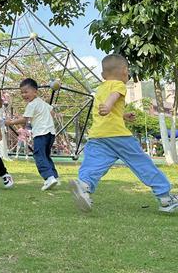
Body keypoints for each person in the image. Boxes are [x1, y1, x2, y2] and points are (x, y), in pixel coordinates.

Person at [69, 54, 178, 213]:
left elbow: (108, 111)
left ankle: (84, 185)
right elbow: (113, 97)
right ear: (125, 71)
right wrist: (108, 105)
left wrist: (122, 115)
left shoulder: (100, 89)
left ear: (102, 75)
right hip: (118, 136)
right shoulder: (119, 84)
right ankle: (165, 198)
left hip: (98, 135)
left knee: (94, 163)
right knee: (141, 163)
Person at [6, 78, 59, 191]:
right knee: (45, 155)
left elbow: (25, 119)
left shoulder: (31, 104)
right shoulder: (42, 102)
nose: (23, 94)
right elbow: (52, 113)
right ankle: (54, 177)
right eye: (22, 92)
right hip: (51, 133)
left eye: (26, 92)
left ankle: (49, 177)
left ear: (35, 91)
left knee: (39, 155)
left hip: (41, 133)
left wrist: (10, 122)